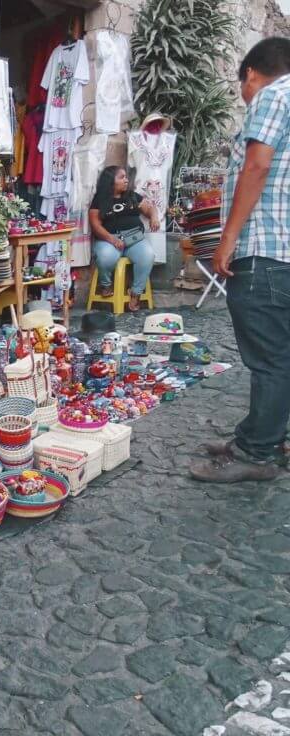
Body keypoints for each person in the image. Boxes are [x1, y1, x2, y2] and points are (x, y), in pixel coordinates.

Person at [191, 37, 290, 484]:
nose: (245, 97)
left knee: (269, 357)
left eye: (242, 87)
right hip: (284, 251)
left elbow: (257, 166)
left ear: (251, 73)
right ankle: (263, 434)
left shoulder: (273, 94)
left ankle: (257, 453)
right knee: (280, 353)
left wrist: (227, 239)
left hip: (265, 249)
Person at [88, 165, 160, 311]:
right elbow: (95, 225)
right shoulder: (99, 200)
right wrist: (112, 239)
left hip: (134, 239)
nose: (126, 180)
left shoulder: (131, 196)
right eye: (122, 177)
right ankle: (106, 285)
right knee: (105, 257)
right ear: (110, 181)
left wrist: (154, 217)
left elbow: (149, 208)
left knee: (147, 255)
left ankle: (136, 293)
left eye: (126, 177)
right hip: (109, 240)